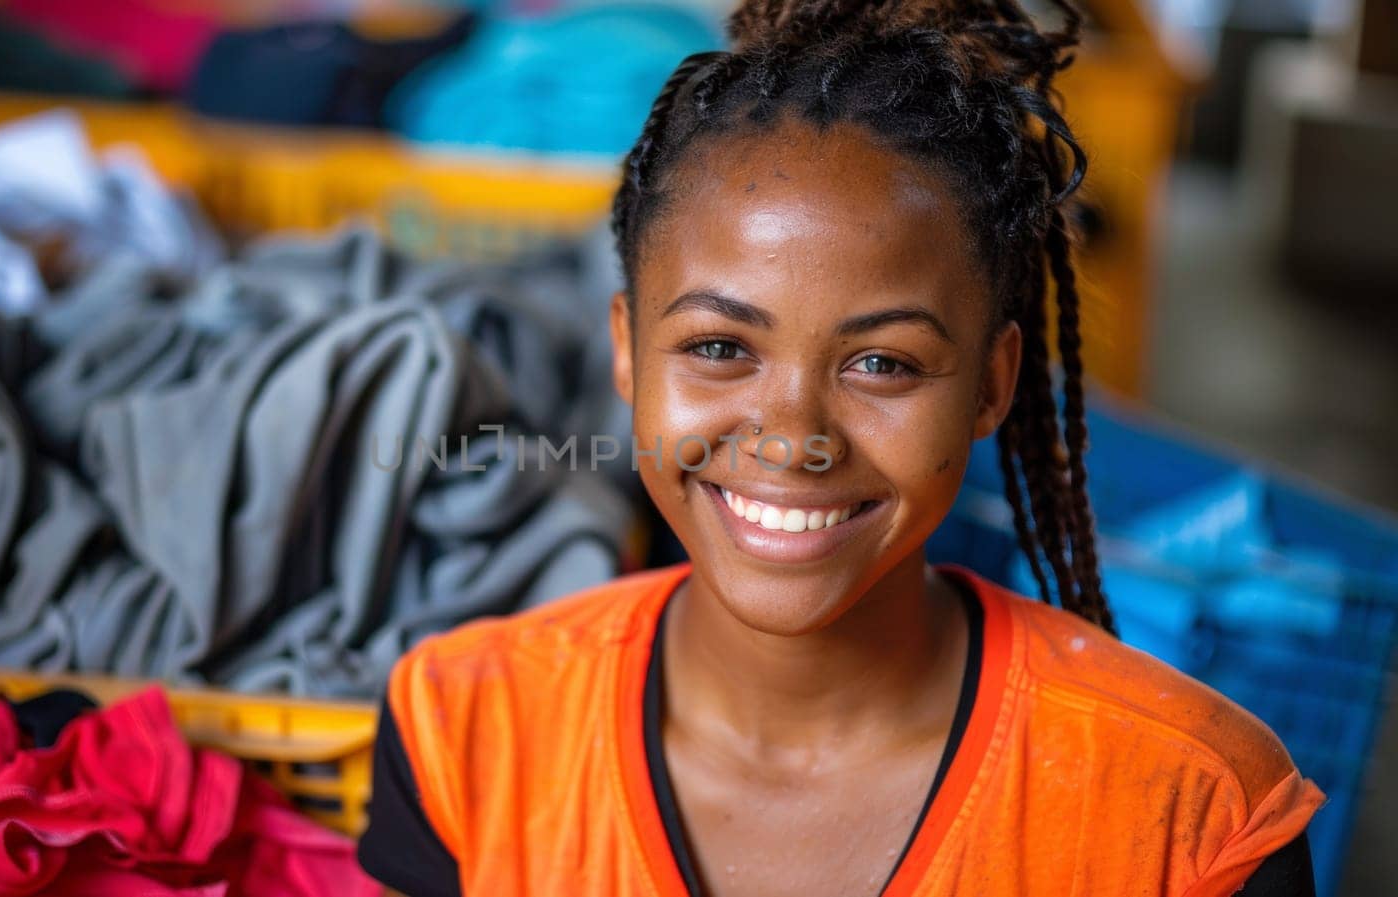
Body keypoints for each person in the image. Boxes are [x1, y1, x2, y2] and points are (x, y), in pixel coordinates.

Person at [355, 1, 1325, 894]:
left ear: (990, 385)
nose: (793, 439)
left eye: (882, 365)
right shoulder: (464, 728)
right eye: (719, 348)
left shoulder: (1194, 810)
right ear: (626, 350)